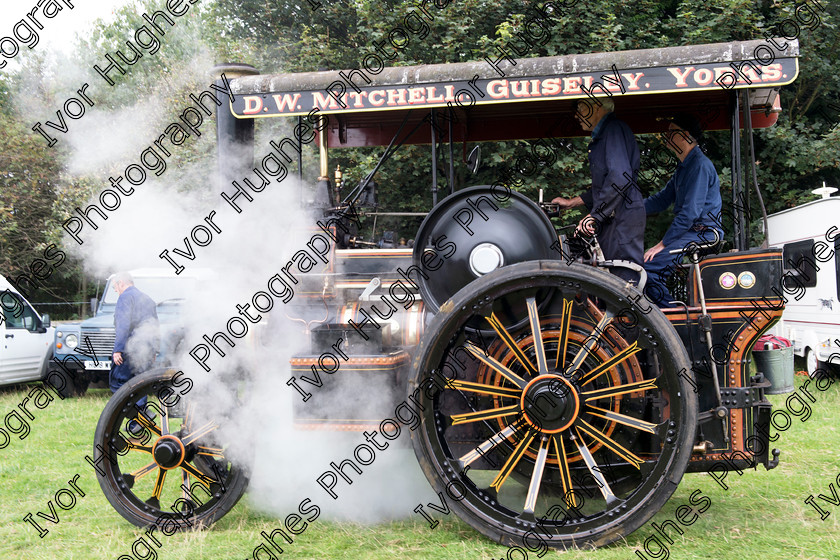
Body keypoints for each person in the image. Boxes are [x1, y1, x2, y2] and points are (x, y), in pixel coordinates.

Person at [552, 97, 645, 282]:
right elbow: (607, 185)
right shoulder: (607, 133)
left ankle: (629, 311)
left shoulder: (612, 129)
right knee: (613, 275)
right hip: (619, 216)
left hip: (621, 218)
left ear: (597, 107)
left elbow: (620, 178)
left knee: (623, 277)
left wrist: (595, 216)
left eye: (580, 108)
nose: (576, 115)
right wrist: (572, 203)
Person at [642, 113, 723, 307]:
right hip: (692, 232)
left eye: (671, 132)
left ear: (686, 135)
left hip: (705, 233)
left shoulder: (700, 165)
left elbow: (690, 213)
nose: (666, 137)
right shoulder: (684, 167)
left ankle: (673, 322)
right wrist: (627, 209)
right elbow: (661, 200)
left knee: (649, 269)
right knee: (645, 267)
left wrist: (663, 244)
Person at [110, 272, 160, 393]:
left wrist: (118, 350)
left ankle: (128, 411)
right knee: (140, 383)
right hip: (146, 349)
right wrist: (154, 350)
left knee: (119, 383)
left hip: (130, 349)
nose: (115, 291)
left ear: (120, 282)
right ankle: (142, 411)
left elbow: (123, 326)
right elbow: (155, 326)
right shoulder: (148, 299)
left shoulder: (125, 297)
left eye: (114, 287)